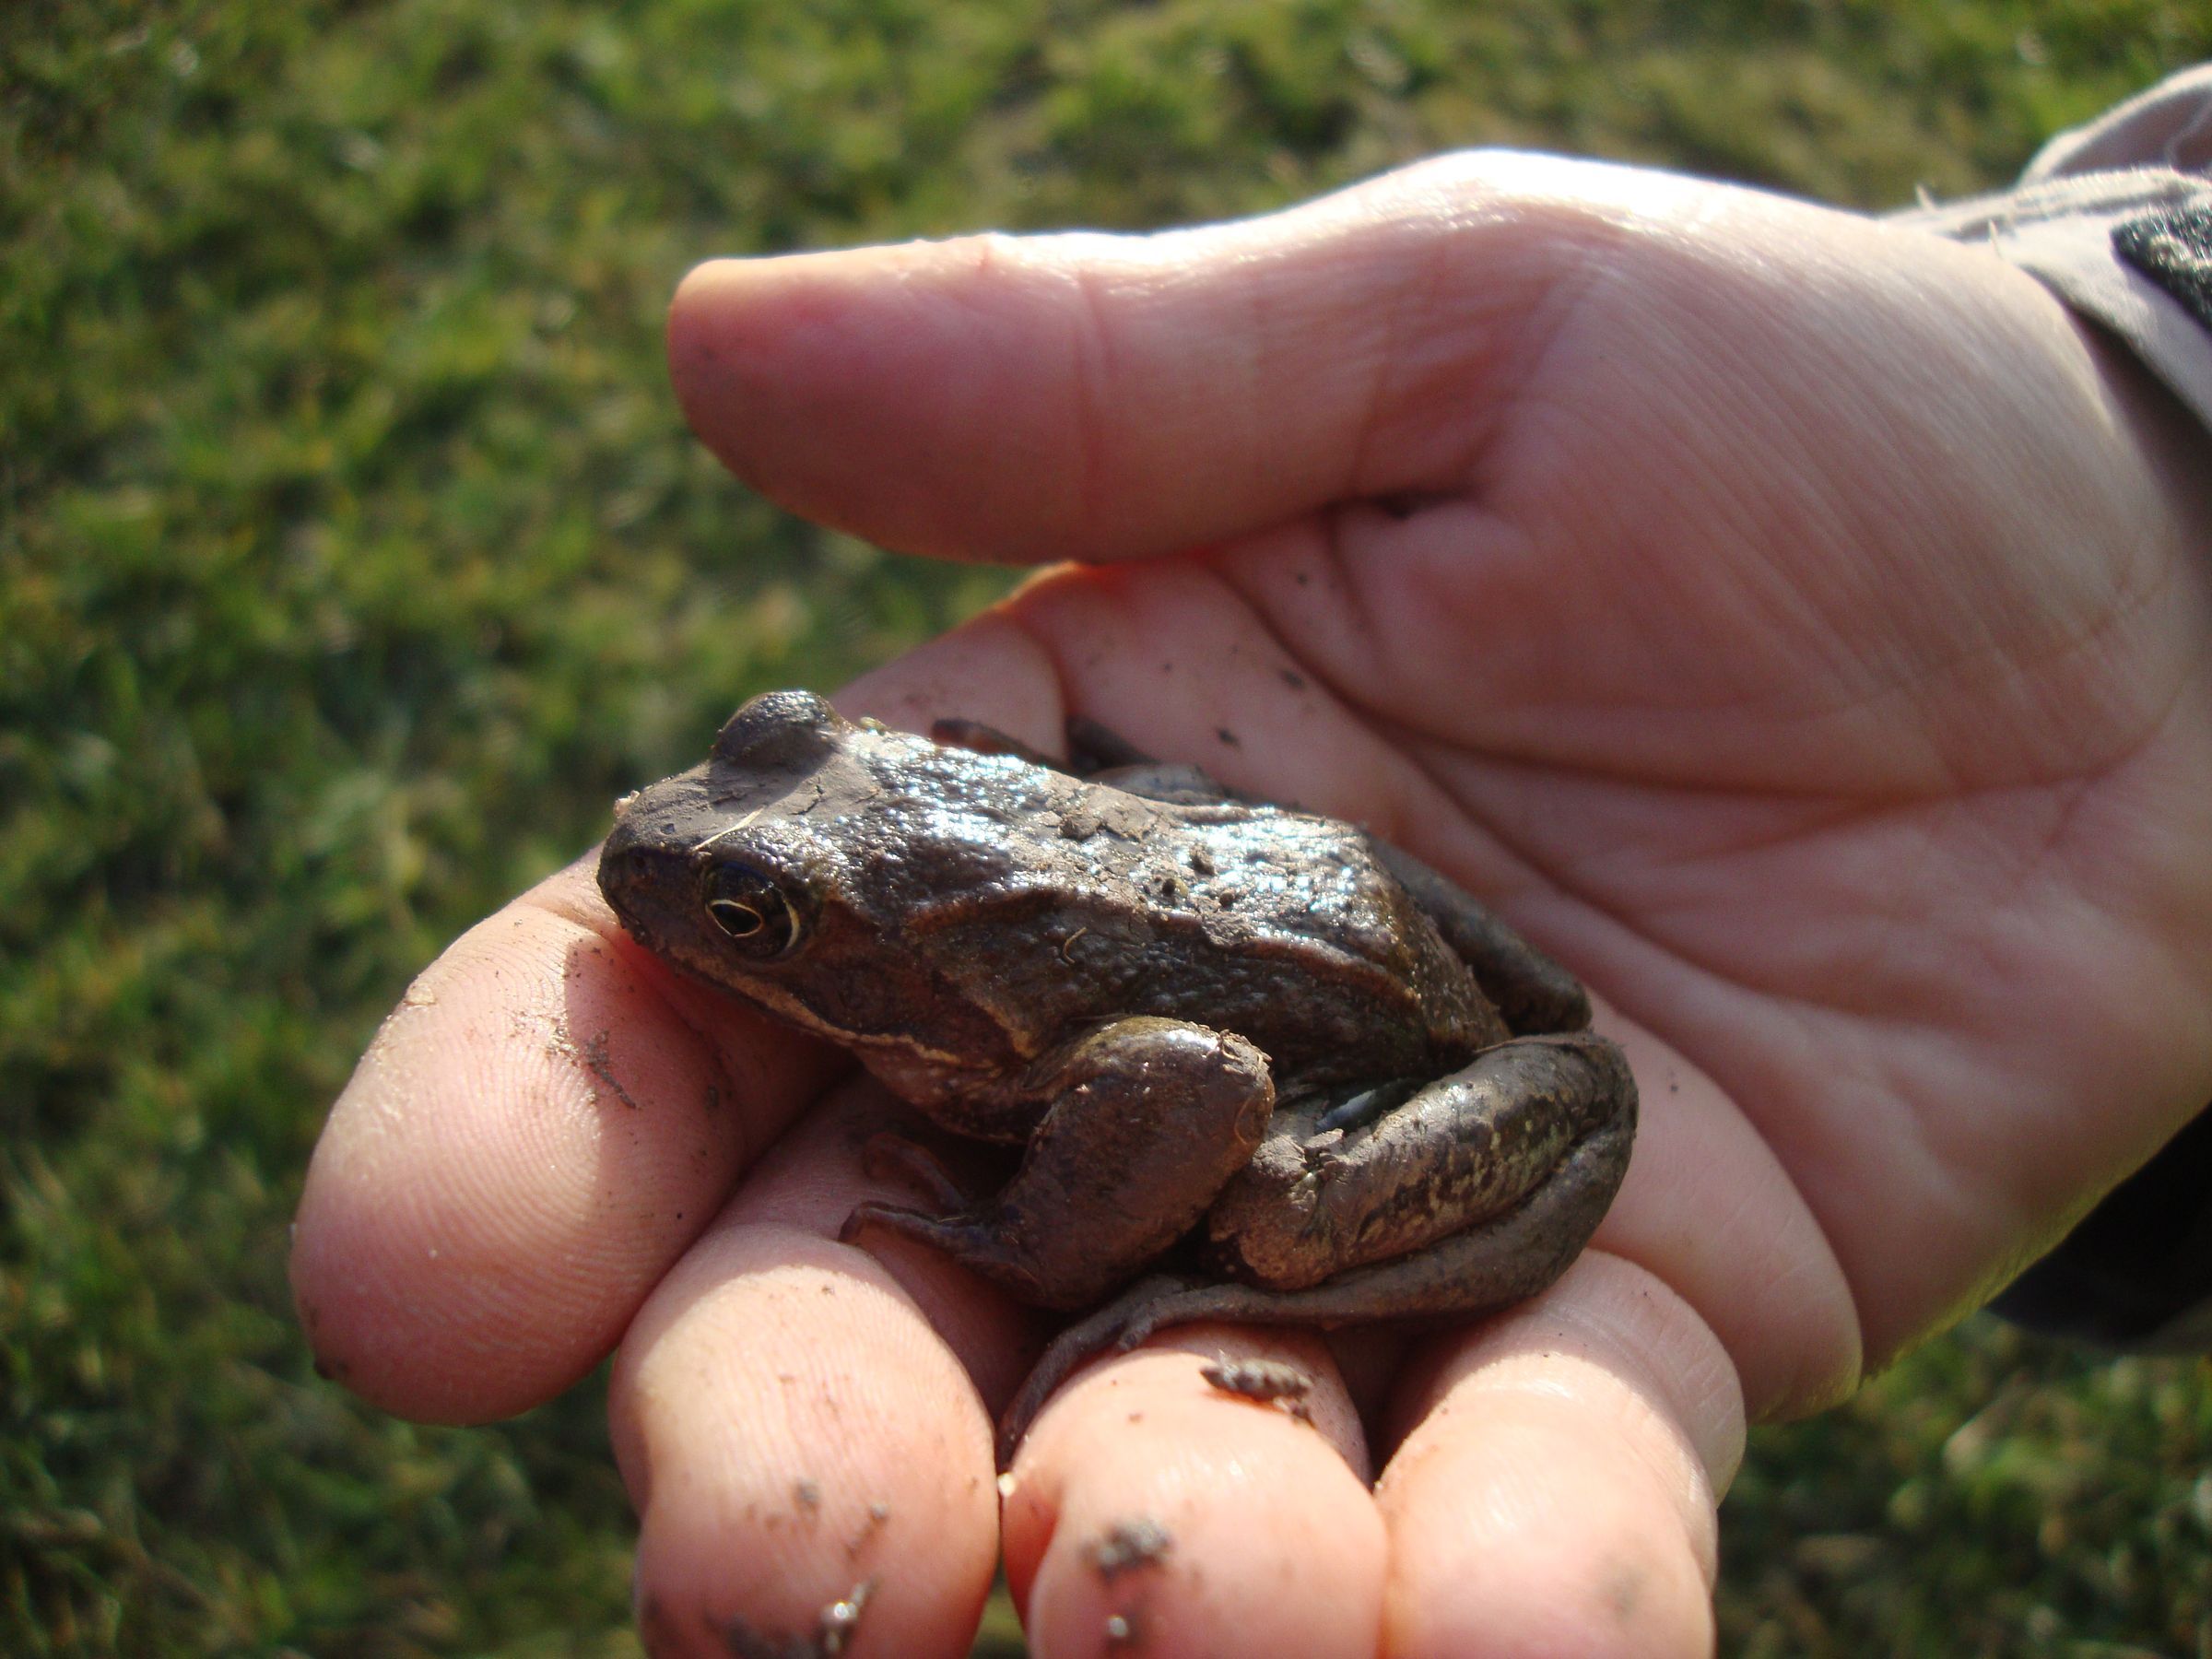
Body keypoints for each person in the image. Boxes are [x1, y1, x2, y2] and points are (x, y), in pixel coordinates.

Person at [289, 67, 2212, 1657]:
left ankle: (1297, 1289)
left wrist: (1032, 1244)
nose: (674, 847)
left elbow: (1197, 1075)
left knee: (1279, 1214)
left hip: (1359, 1053)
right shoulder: (941, 903)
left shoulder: (991, 1017)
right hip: (1326, 901)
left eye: (756, 916)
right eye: (754, 859)